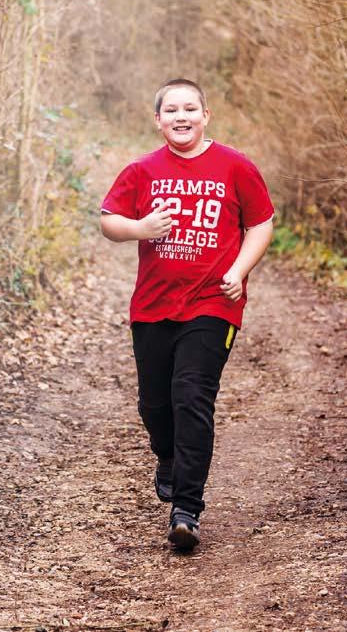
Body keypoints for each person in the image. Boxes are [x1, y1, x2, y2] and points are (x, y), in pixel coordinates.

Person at [99, 78, 274, 551]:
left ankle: (187, 511)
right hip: (153, 306)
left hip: (214, 303)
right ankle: (169, 458)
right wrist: (140, 227)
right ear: (158, 120)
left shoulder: (236, 166)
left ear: (205, 115)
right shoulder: (143, 170)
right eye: (171, 110)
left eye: (190, 109)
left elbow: (261, 224)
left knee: (190, 396)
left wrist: (239, 270)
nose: (182, 117)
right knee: (154, 405)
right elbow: (108, 220)